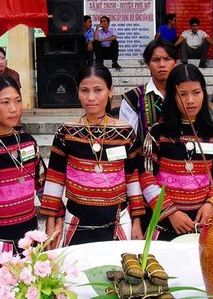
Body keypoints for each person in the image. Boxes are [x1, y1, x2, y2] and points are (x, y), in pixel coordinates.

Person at [40, 66, 145, 249]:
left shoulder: (125, 132)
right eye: (84, 90)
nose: (91, 98)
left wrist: (136, 220)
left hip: (117, 221)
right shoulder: (66, 132)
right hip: (76, 221)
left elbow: (132, 177)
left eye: (98, 90)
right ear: (77, 92)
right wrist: (51, 219)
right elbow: (55, 177)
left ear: (110, 91)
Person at [140, 64, 213, 241]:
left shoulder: (212, 133)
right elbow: (146, 177)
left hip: (202, 223)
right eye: (182, 94)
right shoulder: (158, 133)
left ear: (204, 93)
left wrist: (210, 204)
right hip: (164, 224)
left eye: (196, 92)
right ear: (171, 96)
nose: (190, 100)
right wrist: (170, 212)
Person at [0, 76, 46, 258]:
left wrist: (52, 222)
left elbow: (42, 184)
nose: (14, 109)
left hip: (30, 237)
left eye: (17, 101)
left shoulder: (28, 141)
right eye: (5, 102)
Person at [119, 39, 178, 144]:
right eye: (156, 60)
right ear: (147, 64)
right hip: (144, 159)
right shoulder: (133, 98)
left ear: (176, 62)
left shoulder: (184, 95)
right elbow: (127, 139)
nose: (162, 64)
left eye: (167, 59)